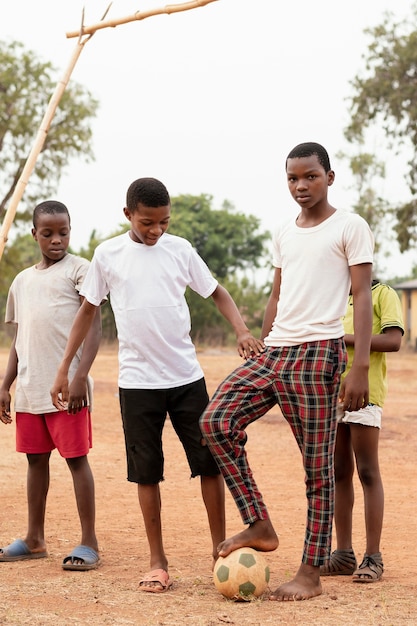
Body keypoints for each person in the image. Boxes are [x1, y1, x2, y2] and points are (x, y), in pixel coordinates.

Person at [50, 177, 264, 593]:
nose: (157, 231)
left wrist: (240, 329)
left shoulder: (180, 249)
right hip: (137, 384)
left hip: (186, 378)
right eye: (148, 223)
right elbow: (87, 312)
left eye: (164, 222)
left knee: (210, 465)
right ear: (128, 214)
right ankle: (157, 561)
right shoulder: (108, 254)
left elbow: (216, 291)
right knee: (146, 474)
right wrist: (65, 369)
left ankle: (218, 551)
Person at [200, 142, 375, 601]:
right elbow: (277, 293)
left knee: (318, 471)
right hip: (276, 350)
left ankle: (310, 574)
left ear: (329, 178)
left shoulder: (350, 226)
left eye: (310, 176)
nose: (301, 186)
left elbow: (362, 297)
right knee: (215, 422)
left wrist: (357, 368)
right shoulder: (283, 231)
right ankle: (258, 521)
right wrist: (261, 343)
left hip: (320, 354)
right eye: (293, 178)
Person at [0, 200, 101, 571]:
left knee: (76, 461)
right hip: (29, 388)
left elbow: (94, 329)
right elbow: (19, 340)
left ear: (71, 231)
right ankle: (34, 538)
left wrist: (79, 377)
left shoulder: (81, 270)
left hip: (66, 393)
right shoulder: (22, 281)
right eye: (48, 233)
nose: (57, 240)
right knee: (35, 461)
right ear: (34, 234)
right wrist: (5, 384)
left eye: (63, 232)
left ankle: (89, 541)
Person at [320, 279, 404, 583]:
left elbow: (393, 341)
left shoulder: (382, 294)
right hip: (332, 392)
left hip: (365, 392)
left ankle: (373, 556)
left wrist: (343, 337)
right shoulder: (333, 294)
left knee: (367, 471)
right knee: (339, 471)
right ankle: (343, 554)